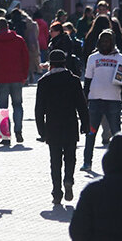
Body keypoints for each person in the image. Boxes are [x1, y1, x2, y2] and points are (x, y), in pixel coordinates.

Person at [34, 49, 90, 204]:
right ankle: (69, 179)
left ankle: (57, 192)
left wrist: (41, 130)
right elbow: (82, 105)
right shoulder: (73, 80)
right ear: (65, 63)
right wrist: (85, 124)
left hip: (52, 125)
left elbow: (39, 109)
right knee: (70, 156)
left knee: (55, 160)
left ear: (50, 64)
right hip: (70, 123)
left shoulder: (44, 82)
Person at [81, 30, 122, 172]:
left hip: (113, 100)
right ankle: (87, 162)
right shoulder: (93, 58)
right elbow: (87, 79)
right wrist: (84, 98)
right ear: (99, 42)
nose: (105, 43)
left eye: (108, 41)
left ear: (113, 43)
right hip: (95, 100)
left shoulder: (120, 58)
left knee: (117, 134)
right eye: (103, 41)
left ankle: (120, 163)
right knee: (91, 133)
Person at [0, 17, 29, 146]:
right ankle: (18, 130)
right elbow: (25, 59)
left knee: (2, 108)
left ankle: (5, 135)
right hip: (17, 77)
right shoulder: (19, 40)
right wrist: (24, 75)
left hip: (0, 79)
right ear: (8, 26)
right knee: (18, 105)